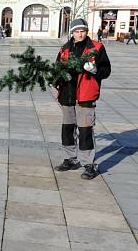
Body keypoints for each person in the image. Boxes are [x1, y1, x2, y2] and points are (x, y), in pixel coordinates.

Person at [54, 19, 111, 180]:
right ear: (72, 32)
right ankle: (71, 159)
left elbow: (106, 70)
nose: (80, 34)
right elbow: (57, 67)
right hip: (67, 94)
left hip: (86, 95)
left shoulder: (96, 48)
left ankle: (88, 164)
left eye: (83, 31)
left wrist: (95, 70)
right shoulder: (65, 49)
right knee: (67, 129)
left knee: (85, 131)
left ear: (86, 32)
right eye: (77, 31)